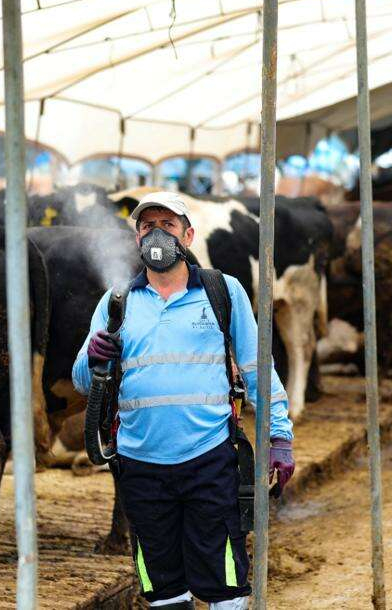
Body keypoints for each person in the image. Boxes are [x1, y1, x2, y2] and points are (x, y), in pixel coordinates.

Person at [73, 191, 295, 610]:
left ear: (188, 235)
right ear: (136, 238)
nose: (156, 235)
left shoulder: (222, 292)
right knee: (161, 587)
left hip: (208, 459)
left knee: (224, 582)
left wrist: (279, 436)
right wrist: (94, 356)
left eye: (168, 226)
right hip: (140, 467)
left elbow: (257, 370)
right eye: (147, 227)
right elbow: (83, 381)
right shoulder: (116, 303)